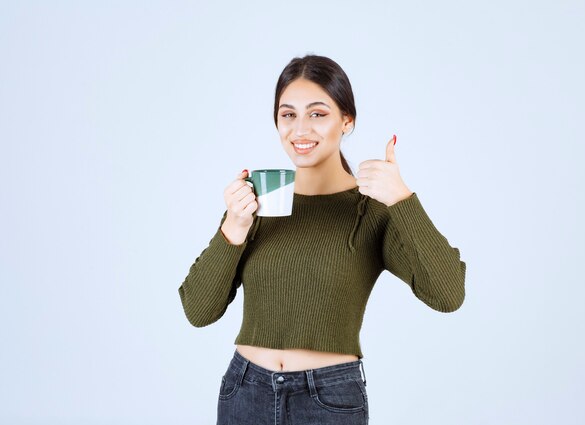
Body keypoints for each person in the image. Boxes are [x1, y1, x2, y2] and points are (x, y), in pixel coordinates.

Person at [178, 54, 466, 425]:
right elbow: (199, 311)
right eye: (288, 115)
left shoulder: (371, 210)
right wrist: (232, 228)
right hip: (245, 393)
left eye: (317, 114)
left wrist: (402, 199)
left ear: (347, 120)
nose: (300, 129)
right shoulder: (257, 200)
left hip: (328, 400)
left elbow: (448, 294)